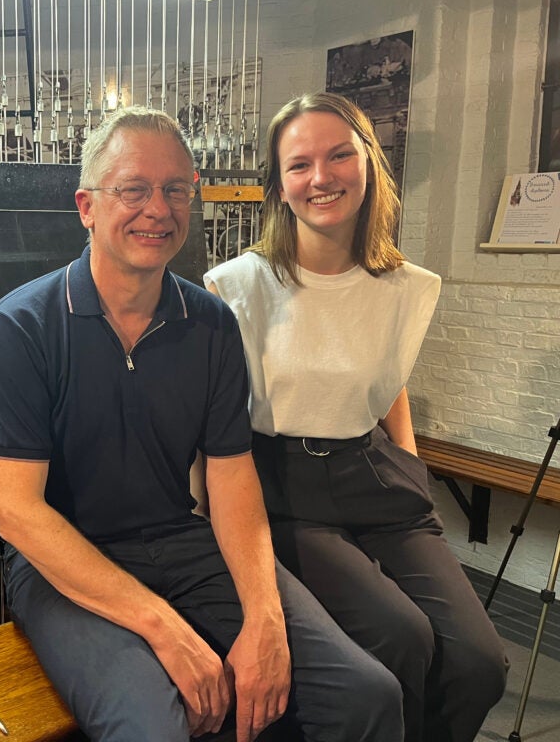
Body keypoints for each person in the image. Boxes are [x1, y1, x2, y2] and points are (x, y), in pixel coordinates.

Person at [0, 105, 405, 742]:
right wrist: (162, 625)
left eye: (176, 190)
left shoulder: (210, 323)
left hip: (183, 541)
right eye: (133, 189)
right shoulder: (22, 324)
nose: (158, 208)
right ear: (87, 207)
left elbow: (232, 479)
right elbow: (18, 513)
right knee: (154, 727)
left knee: (365, 693)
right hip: (63, 562)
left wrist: (263, 620)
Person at [203, 91, 508, 742]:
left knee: (483, 664)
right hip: (286, 486)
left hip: (378, 477)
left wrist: (412, 472)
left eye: (340, 154)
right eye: (299, 163)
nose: (322, 176)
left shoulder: (407, 287)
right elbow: (215, 430)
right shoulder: (236, 287)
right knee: (403, 639)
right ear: (279, 186)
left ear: (369, 164)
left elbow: (386, 382)